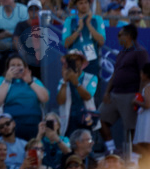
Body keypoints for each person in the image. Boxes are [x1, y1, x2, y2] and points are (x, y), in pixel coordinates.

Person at [99, 24, 149, 153]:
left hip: (130, 94)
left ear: (128, 36)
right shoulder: (121, 52)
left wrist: (139, 95)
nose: (118, 37)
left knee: (133, 130)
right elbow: (115, 73)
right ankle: (112, 151)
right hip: (114, 95)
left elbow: (144, 75)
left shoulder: (140, 52)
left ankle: (134, 160)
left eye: (120, 35)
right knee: (99, 119)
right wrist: (107, 92)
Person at [0, 55, 49, 140]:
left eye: (19, 65)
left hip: (34, 123)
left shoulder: (34, 80)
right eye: (13, 65)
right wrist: (7, 81)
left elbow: (45, 98)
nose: (16, 68)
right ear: (7, 69)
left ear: (25, 67)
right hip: (11, 125)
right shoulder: (1, 80)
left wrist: (30, 82)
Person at [62, 0, 105, 77]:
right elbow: (66, 43)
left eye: (86, 2)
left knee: (92, 88)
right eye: (81, 3)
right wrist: (79, 29)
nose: (84, 5)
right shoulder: (69, 20)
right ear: (76, 5)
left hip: (92, 62)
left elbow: (101, 42)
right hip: (74, 62)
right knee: (75, 88)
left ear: (89, 4)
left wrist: (89, 25)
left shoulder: (97, 19)